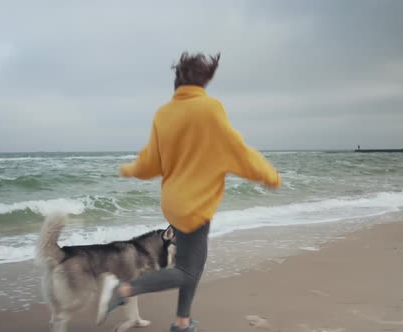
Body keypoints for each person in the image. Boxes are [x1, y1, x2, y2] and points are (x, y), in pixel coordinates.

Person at [96, 52, 281, 332]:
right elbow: (236, 150)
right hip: (195, 208)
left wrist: (131, 169)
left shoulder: (164, 113)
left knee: (192, 264)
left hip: (174, 204)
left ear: (178, 81)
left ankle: (182, 322)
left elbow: (151, 163)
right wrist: (268, 174)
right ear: (204, 80)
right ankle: (123, 289)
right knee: (187, 271)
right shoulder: (210, 108)